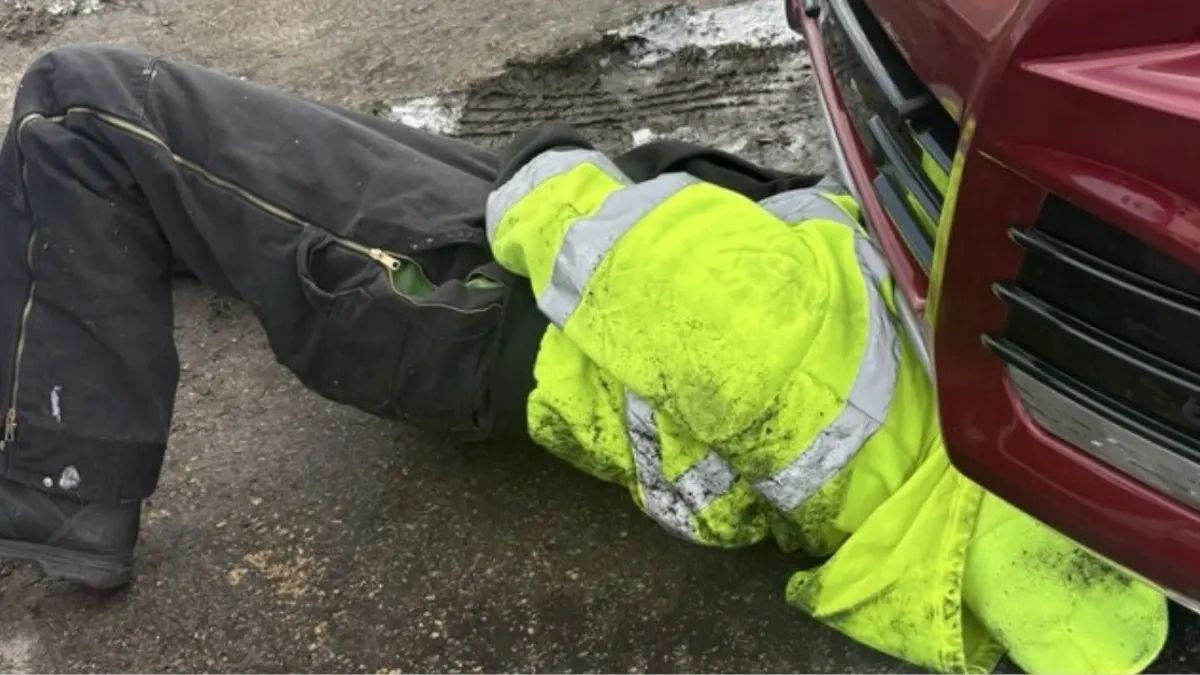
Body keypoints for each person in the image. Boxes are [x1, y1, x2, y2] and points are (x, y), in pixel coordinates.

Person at [0, 45, 1168, 674]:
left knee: (83, 107)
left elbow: (673, 288)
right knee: (243, 159)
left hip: (490, 308)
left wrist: (565, 163)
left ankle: (60, 498)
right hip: (567, 289)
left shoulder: (987, 372)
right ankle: (186, 229)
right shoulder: (1077, 496)